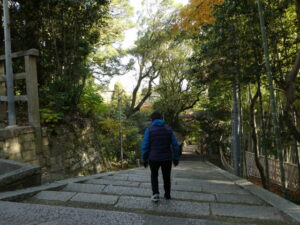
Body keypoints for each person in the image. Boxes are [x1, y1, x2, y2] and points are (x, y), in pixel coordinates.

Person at [141, 112, 180, 202]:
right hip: (167, 158)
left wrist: (145, 159)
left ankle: (155, 194)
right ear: (161, 118)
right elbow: (175, 145)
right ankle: (167, 195)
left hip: (153, 158)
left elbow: (145, 145)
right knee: (166, 176)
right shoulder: (168, 129)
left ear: (152, 119)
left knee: (154, 175)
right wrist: (176, 158)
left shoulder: (149, 130)